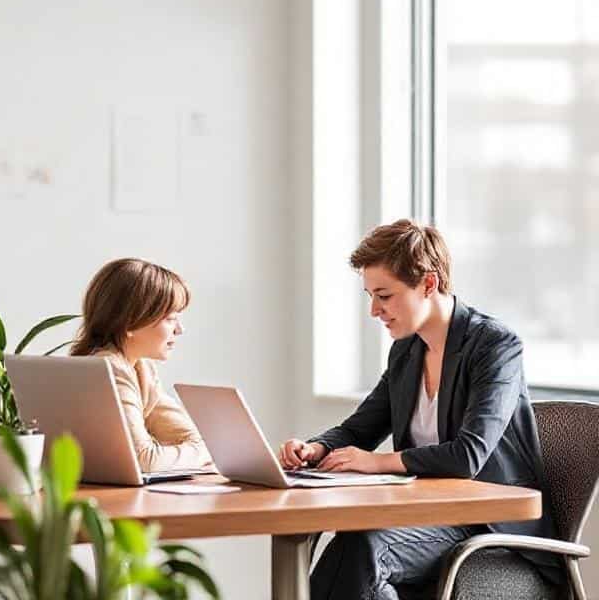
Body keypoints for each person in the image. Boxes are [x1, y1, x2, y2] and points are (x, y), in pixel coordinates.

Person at [279, 219, 563, 600]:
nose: (374, 311)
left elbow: (468, 456)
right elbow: (360, 428)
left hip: (490, 529)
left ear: (428, 284)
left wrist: (376, 462)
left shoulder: (496, 346)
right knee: (357, 552)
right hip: (429, 517)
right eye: (370, 296)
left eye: (384, 295)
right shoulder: (407, 350)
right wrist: (315, 449)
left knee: (364, 548)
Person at [70, 258, 213, 473]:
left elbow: (191, 438)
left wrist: (200, 449)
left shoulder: (140, 368)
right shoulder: (109, 370)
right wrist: (201, 452)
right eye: (170, 319)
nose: (180, 329)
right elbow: (144, 460)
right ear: (130, 322)